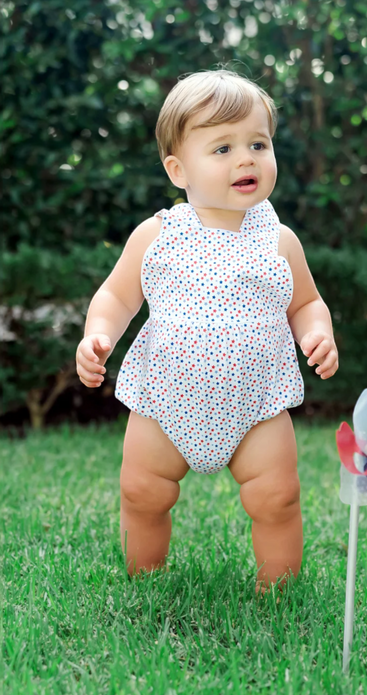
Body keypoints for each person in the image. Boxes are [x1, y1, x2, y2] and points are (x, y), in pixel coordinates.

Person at [75, 69, 339, 591]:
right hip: (164, 402)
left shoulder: (279, 239)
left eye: (258, 143)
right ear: (179, 169)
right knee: (142, 493)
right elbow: (116, 295)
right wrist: (97, 335)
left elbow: (306, 302)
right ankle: (145, 579)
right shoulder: (158, 235)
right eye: (222, 148)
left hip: (256, 404)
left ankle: (278, 589)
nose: (246, 158)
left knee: (277, 498)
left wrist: (317, 333)